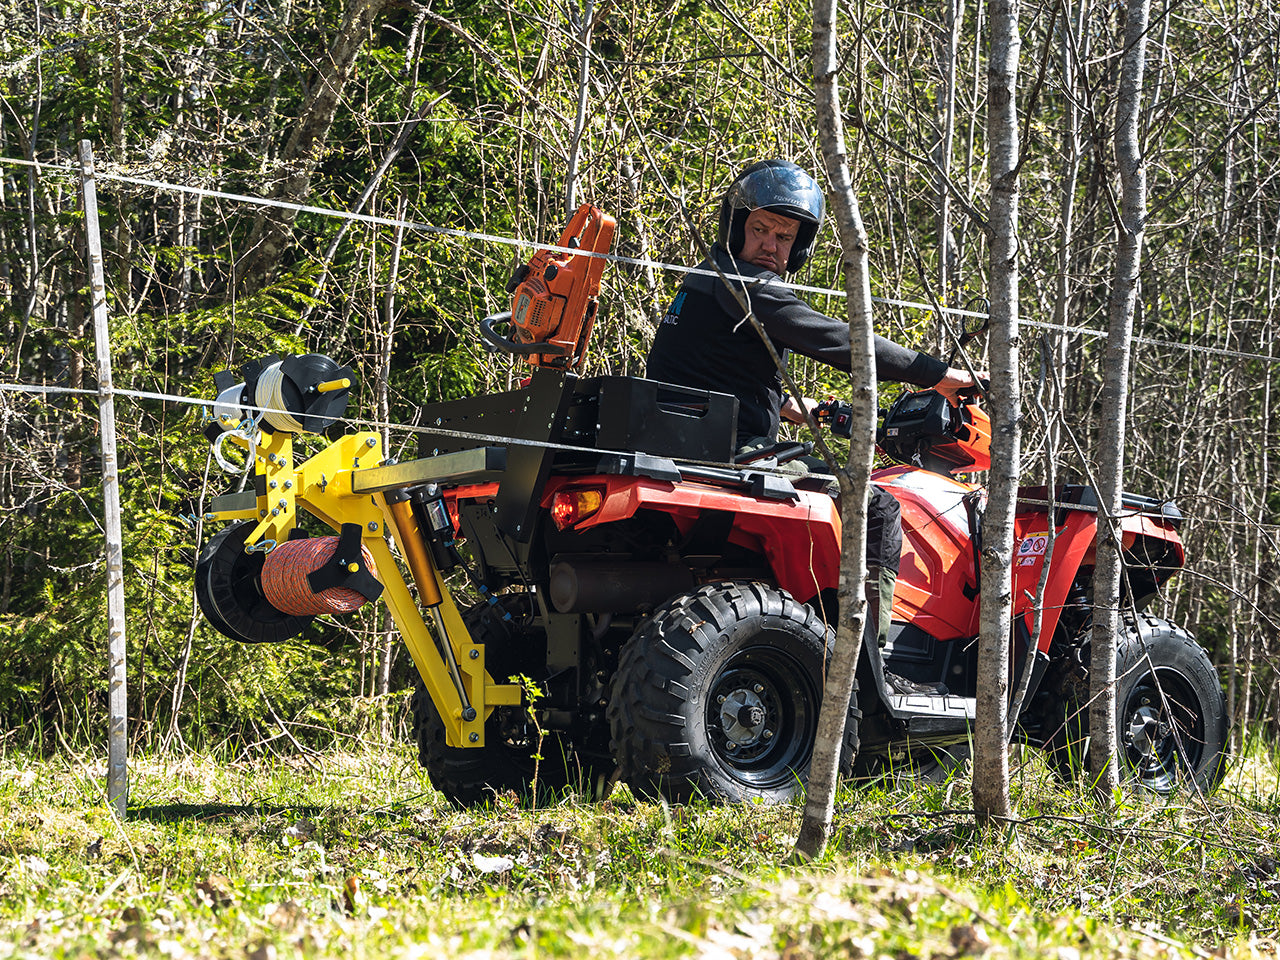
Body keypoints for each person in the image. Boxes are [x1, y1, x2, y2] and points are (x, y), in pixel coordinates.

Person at [645, 158, 979, 696]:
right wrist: (937, 374)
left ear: (799, 245)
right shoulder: (746, 285)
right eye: (760, 230)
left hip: (702, 436)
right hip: (733, 452)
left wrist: (796, 410)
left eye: (785, 236)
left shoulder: (704, 280)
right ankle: (868, 658)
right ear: (736, 226)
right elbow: (840, 341)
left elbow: (712, 372)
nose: (772, 245)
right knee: (878, 507)